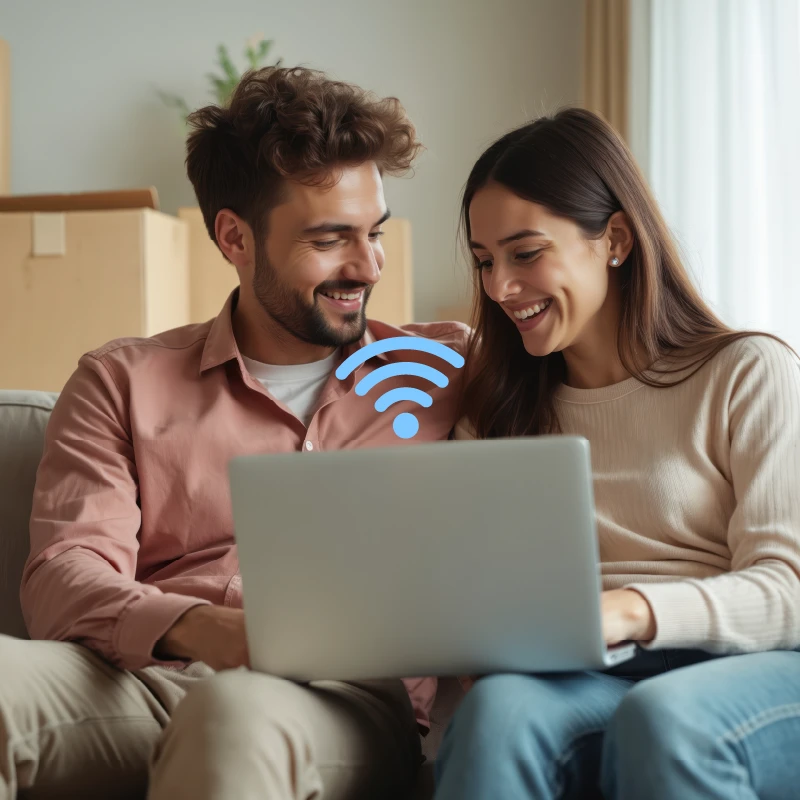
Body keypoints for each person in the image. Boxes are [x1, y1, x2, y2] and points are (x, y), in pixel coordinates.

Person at [0, 67, 467, 800]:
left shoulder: (451, 370)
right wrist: (213, 631)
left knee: (231, 715)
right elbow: (63, 579)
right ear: (233, 237)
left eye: (373, 232)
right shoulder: (122, 381)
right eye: (330, 239)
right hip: (139, 682)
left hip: (339, 703)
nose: (368, 264)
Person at [434, 108, 800, 800]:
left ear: (616, 240)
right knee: (496, 715)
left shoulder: (747, 372)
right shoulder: (494, 412)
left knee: (665, 719)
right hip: (588, 676)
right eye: (485, 261)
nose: (499, 288)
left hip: (752, 667)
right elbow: (484, 596)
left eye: (525, 252)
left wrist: (628, 609)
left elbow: (789, 590)